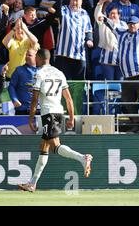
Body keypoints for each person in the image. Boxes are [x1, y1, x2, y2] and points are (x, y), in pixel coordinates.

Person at [18, 49, 93, 193]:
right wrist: (71, 117)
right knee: (44, 147)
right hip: (58, 112)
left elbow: (34, 99)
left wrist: (30, 118)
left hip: (48, 113)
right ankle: (32, 183)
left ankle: (83, 158)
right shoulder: (60, 73)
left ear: (39, 59)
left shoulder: (39, 74)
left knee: (55, 146)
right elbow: (68, 98)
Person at [8, 48, 38, 115]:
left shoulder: (41, 71)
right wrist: (14, 99)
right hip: (22, 109)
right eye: (26, 55)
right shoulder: (19, 70)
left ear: (36, 57)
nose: (27, 57)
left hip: (38, 110)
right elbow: (11, 86)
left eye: (29, 55)